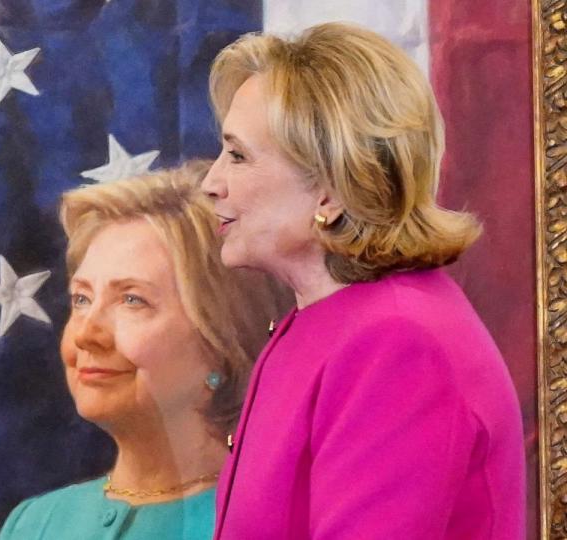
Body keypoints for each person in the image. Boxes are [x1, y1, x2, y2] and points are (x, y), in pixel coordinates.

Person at [201, 22, 525, 539]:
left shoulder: (397, 343)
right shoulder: (331, 322)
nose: (210, 183)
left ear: (330, 190)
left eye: (238, 156)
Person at [0, 162, 290, 539]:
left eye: (132, 300)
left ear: (221, 337)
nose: (87, 333)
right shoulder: (35, 523)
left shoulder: (275, 520)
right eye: (82, 299)